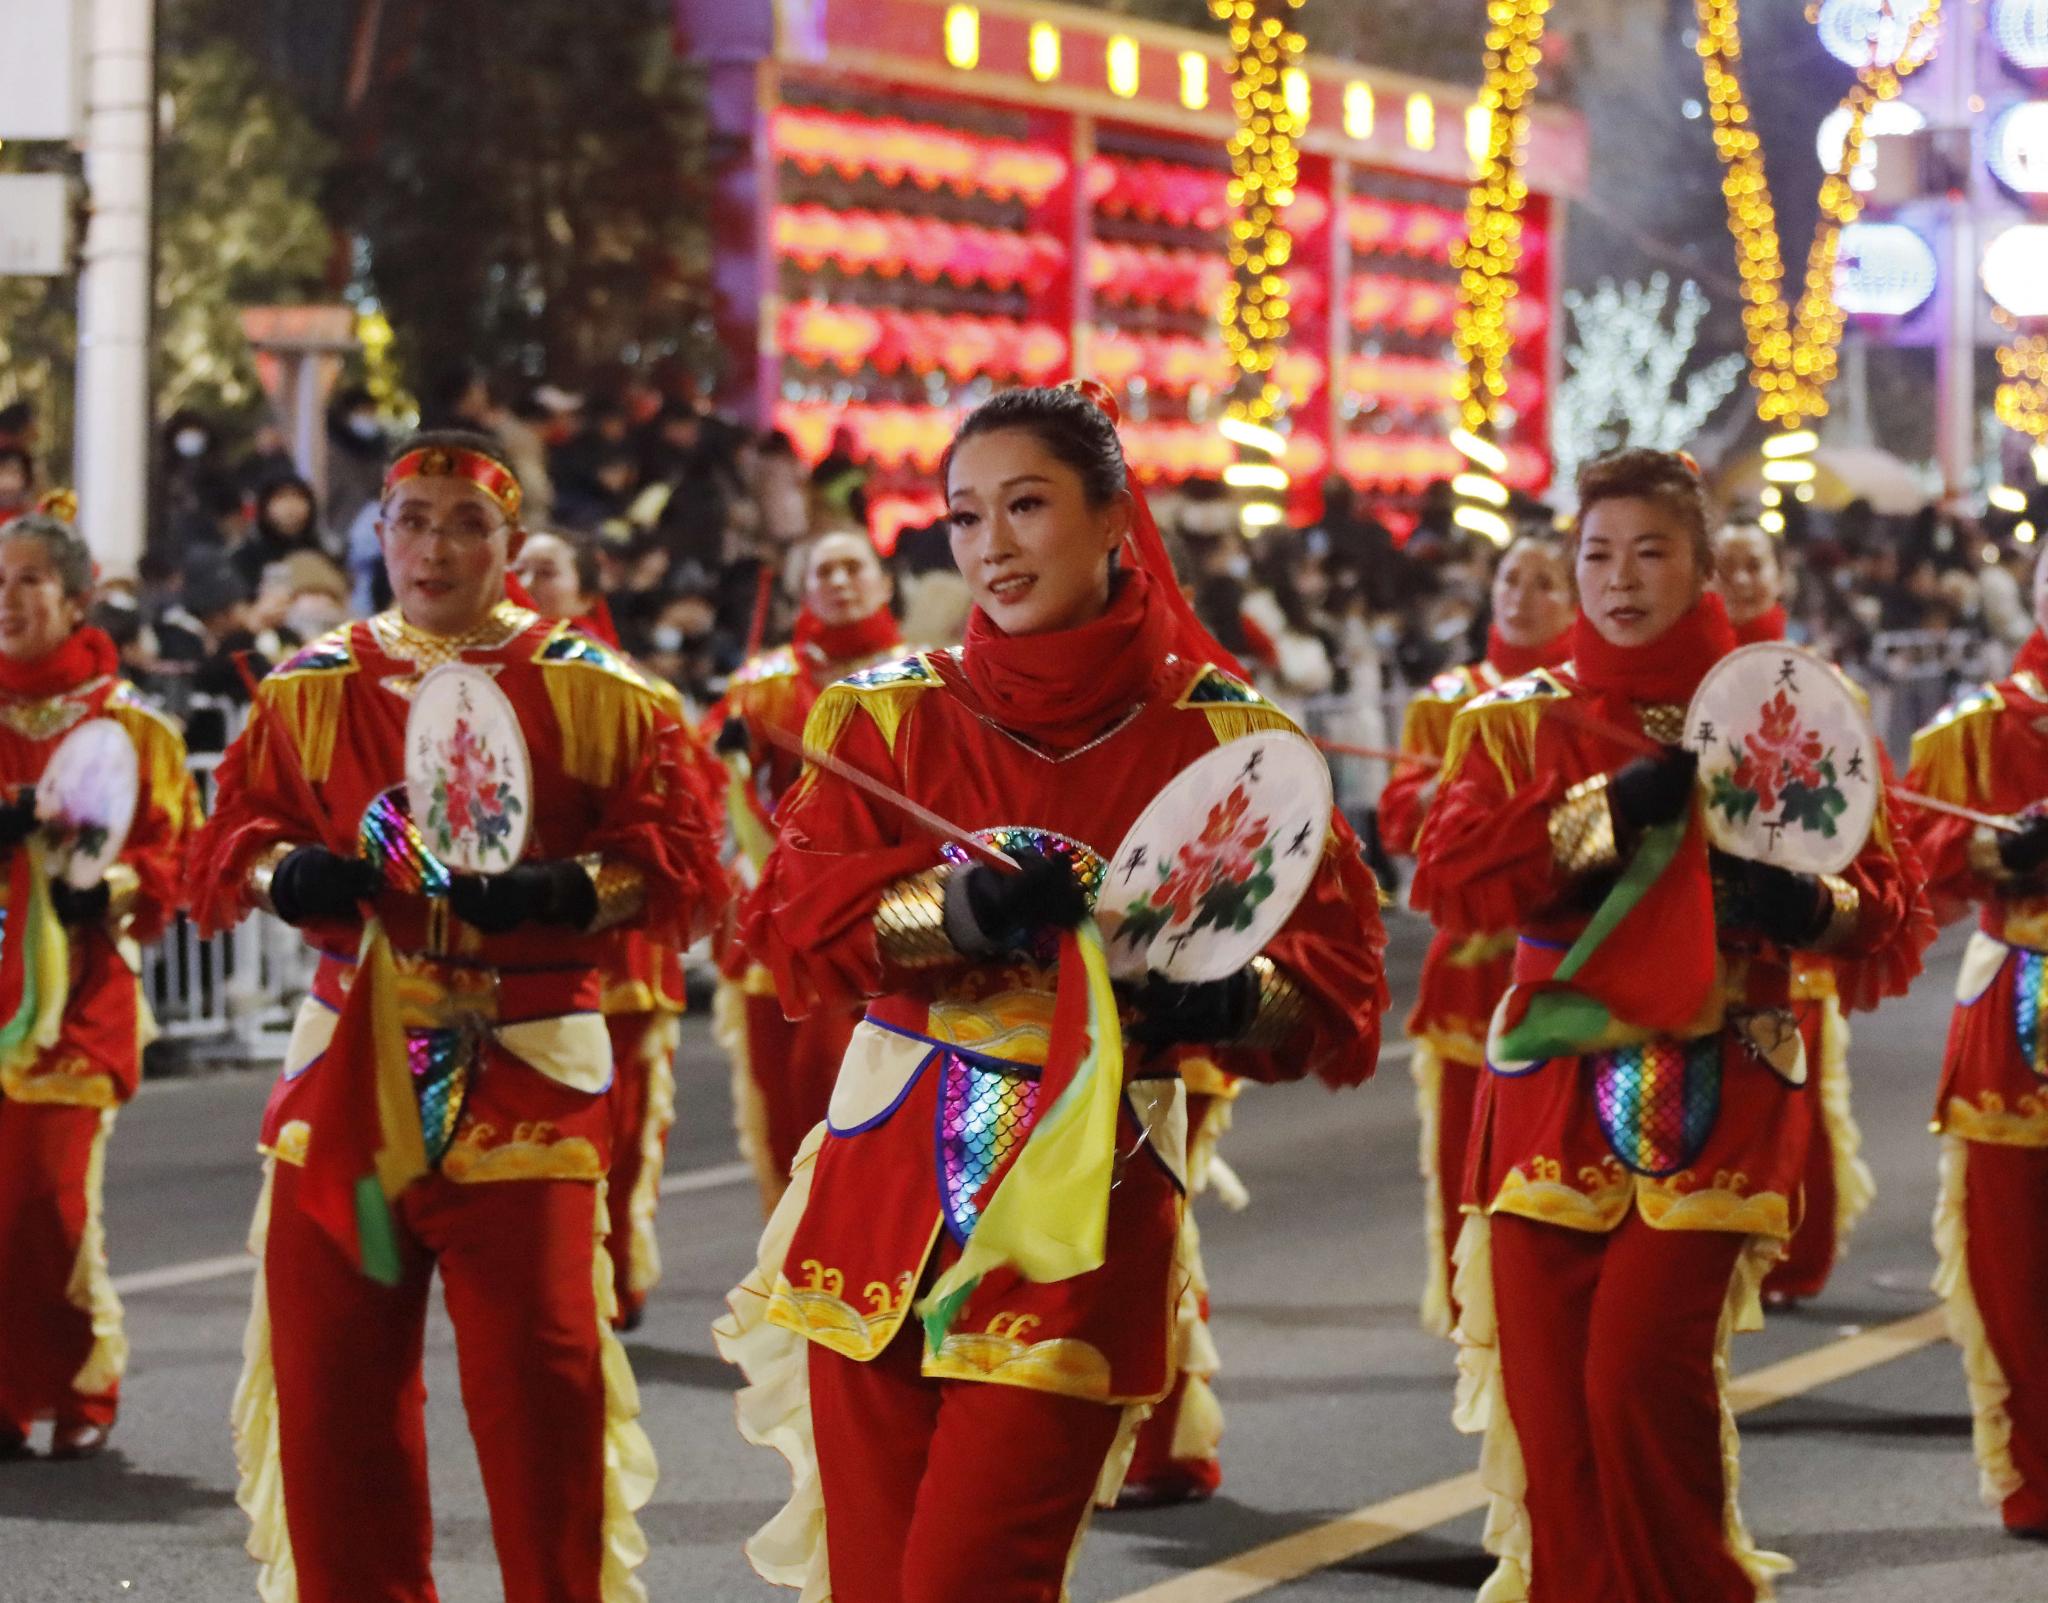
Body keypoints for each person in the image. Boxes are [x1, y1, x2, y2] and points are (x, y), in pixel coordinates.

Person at [714, 384, 1388, 1603]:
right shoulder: (884, 715)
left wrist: (1223, 1005)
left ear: (1114, 520)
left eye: (1026, 505)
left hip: (1088, 1205)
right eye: (965, 516)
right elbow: (801, 924)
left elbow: (1328, 992)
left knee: (973, 1580)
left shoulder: (1226, 743)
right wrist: (957, 912)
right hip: (887, 1186)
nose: (992, 545)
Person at [187, 431, 726, 1603]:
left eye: (463, 522)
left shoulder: (601, 692)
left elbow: (675, 859)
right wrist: (290, 876)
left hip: (527, 1069)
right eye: (411, 519)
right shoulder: (310, 687)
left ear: (512, 544)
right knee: (333, 1395)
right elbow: (231, 838)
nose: (433, 546)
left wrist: (565, 890)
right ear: (377, 535)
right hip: (347, 1082)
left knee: (542, 1395)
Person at [1412, 448, 1926, 1602]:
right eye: (1595, 553)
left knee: (1636, 1379)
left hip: (1719, 1075)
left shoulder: (1785, 712)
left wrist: (1800, 902)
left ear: (1702, 568)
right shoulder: (1513, 726)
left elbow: (1883, 901)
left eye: (1650, 551)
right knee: (1553, 1413)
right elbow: (1454, 878)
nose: (1617, 578)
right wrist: (1603, 812)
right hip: (1550, 1083)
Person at [0, 512, 199, 1460]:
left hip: (75, 1007)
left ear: (77, 598)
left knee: (49, 1202)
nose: (7, 596)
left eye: (29, 579)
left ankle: (83, 1379)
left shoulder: (130, 729)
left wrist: (102, 890)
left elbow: (179, 856)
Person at [512, 527, 713, 1330]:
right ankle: (550, 1286)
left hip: (620, 962)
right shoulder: (474, 684)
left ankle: (611, 1283)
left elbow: (680, 829)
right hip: (517, 958)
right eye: (517, 564)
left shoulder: (632, 691)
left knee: (622, 1139)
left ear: (586, 590)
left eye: (546, 568)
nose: (526, 578)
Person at [1381, 530, 1574, 1334]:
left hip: (1566, 969)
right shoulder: (1449, 699)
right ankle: (1473, 1314)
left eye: (1541, 581)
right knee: (1462, 1152)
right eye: (1509, 577)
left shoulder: (1582, 699)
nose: (1518, 594)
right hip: (1467, 969)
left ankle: (1548, 1309)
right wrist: (1454, 799)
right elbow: (1397, 816)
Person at [1901, 549, 2048, 1541]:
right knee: (2011, 1262)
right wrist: (2004, 848)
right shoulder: (1981, 729)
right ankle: (2037, 1471)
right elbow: (1910, 856)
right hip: (2016, 1011)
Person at [705, 529, 904, 1212]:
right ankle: (795, 1255)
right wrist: (730, 758)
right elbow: (725, 794)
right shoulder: (759, 687)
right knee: (789, 1102)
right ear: (802, 589)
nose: (841, 581)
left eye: (855, 567)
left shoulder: (927, 679)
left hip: (896, 921)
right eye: (825, 570)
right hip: (782, 921)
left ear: (884, 583)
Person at [1713, 521, 1881, 1307]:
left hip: (1797, 938)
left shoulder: (1825, 687)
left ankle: (1796, 1256)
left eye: (1755, 564)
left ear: (1780, 577)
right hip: (1705, 948)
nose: (1741, 578)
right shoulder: (1695, 690)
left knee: (1802, 1111)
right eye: (1726, 566)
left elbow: (1859, 821)